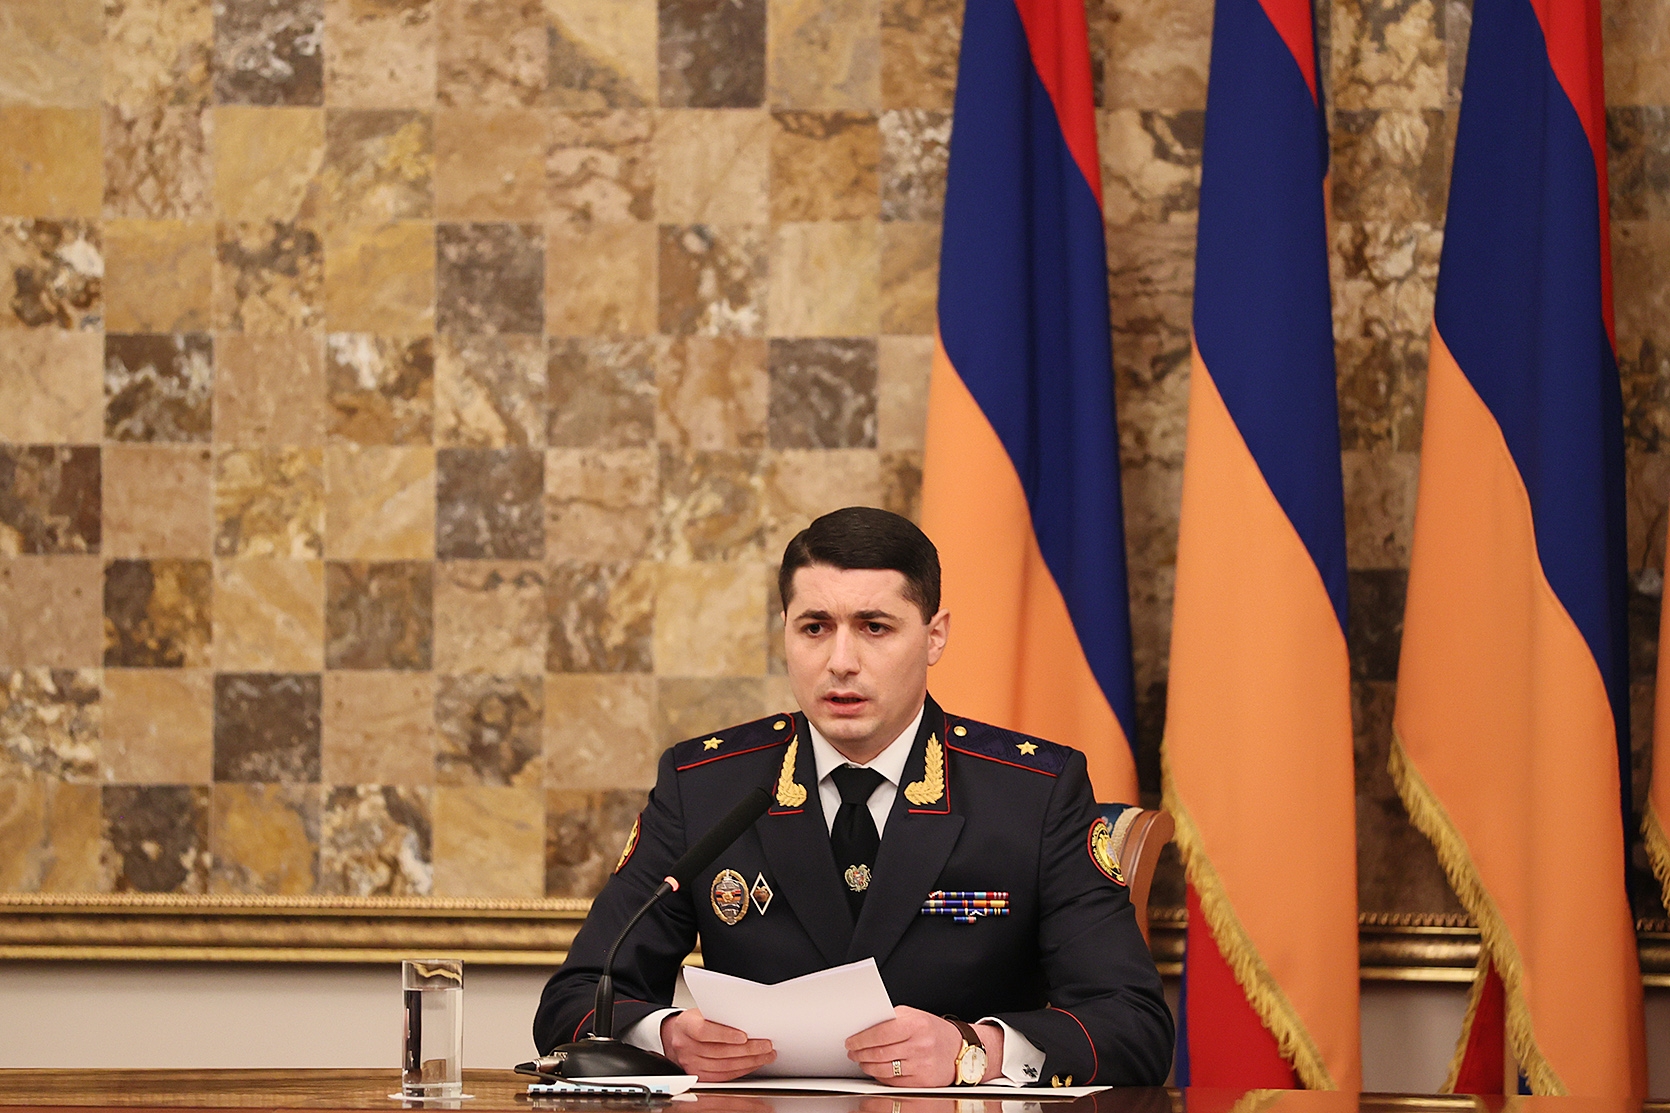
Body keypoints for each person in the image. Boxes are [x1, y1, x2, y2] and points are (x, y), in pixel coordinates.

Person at [533, 507, 1173, 1086]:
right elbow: (576, 998)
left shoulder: (1032, 793)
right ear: (784, 632)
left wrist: (974, 1049)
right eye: (815, 627)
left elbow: (1133, 1024)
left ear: (935, 636)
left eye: (874, 627)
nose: (841, 661)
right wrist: (668, 1035)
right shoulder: (706, 785)